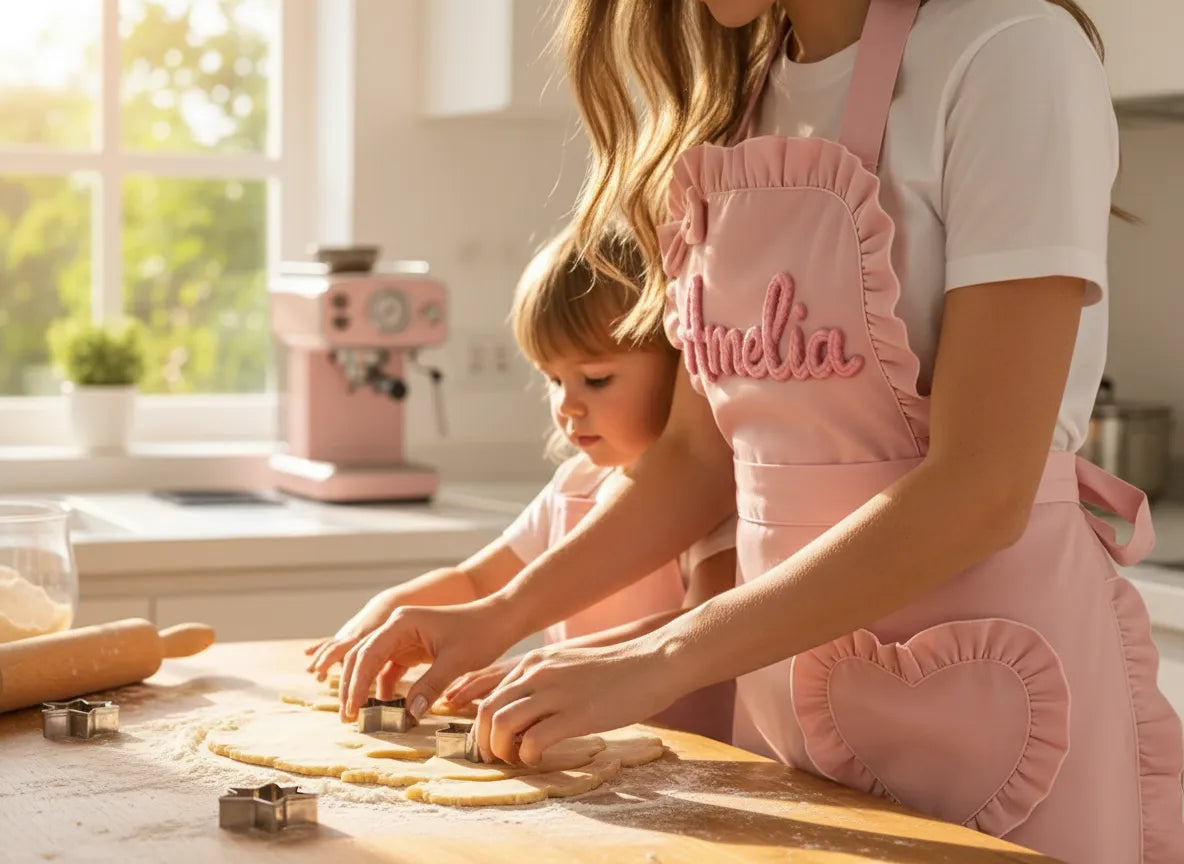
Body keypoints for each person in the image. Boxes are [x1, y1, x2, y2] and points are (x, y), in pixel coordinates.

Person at [337, 1, 1184, 860]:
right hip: (791, 716)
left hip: (999, 712)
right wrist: (497, 612)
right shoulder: (742, 101)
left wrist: (661, 656)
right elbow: (698, 459)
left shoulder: (1010, 53)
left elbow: (983, 489)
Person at [313, 226, 737, 740]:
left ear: (681, 368)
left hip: (690, 759)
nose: (567, 405)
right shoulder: (574, 486)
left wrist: (545, 663)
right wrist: (389, 613)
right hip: (585, 749)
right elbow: (476, 583)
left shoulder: (711, 499)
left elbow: (705, 629)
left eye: (596, 378)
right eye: (553, 380)